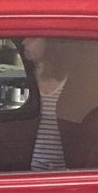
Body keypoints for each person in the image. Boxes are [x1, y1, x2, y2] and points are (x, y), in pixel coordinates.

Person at [22, 38, 71, 172]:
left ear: (50, 44)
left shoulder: (71, 81)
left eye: (33, 38)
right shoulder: (26, 79)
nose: (24, 42)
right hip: (32, 163)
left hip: (64, 167)